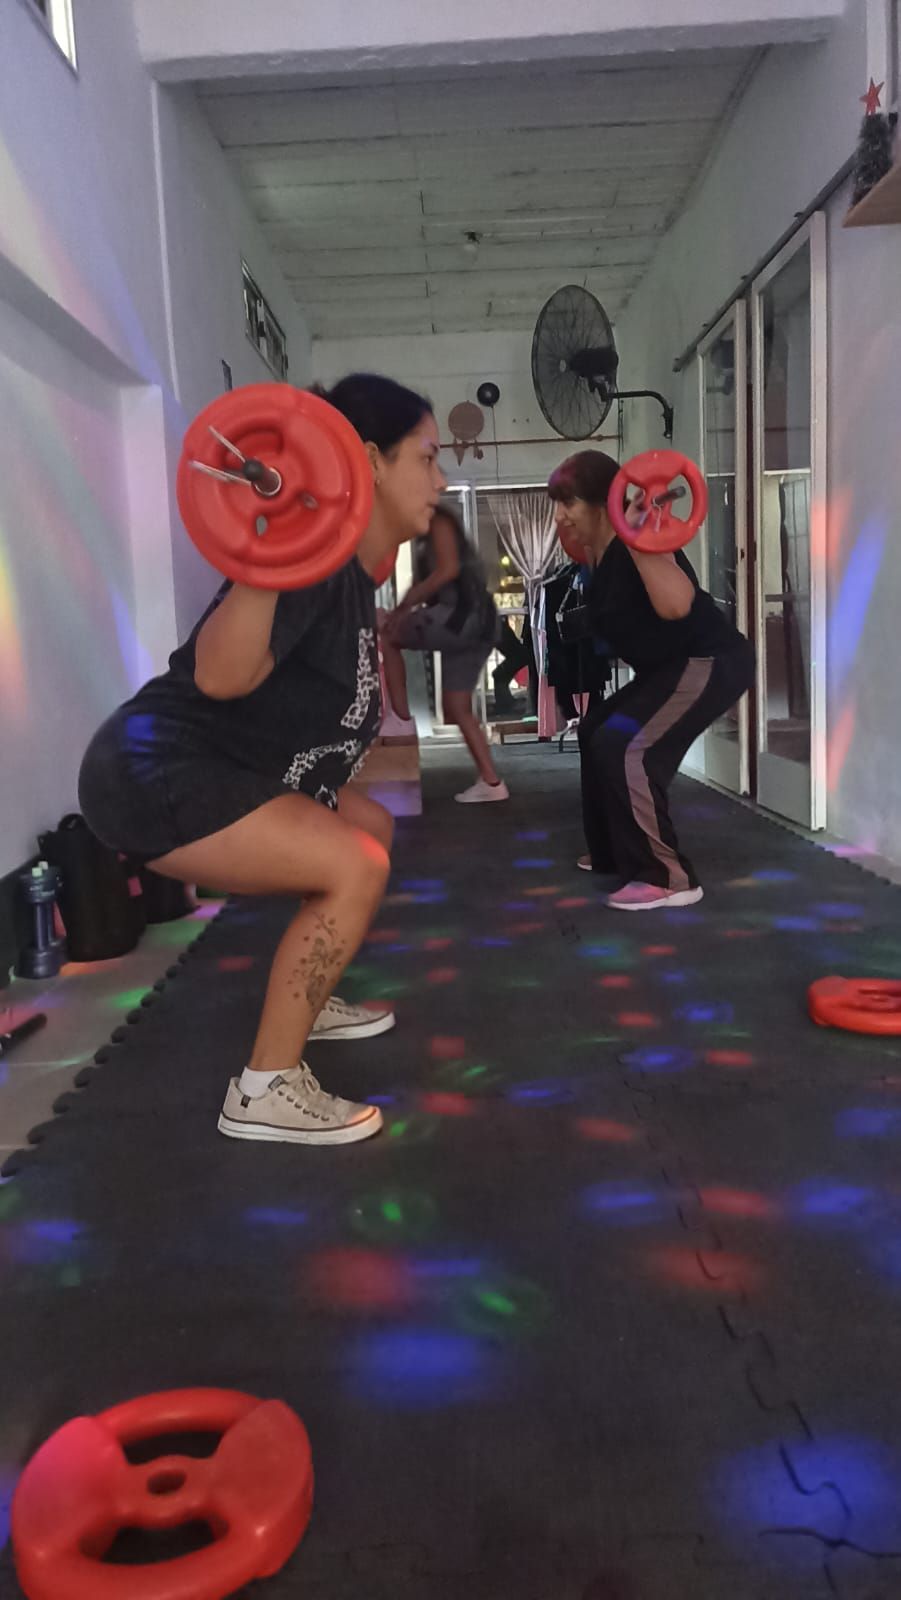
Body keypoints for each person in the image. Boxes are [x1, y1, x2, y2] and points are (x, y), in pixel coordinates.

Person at [78, 373, 447, 1145]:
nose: (440, 480)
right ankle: (264, 1086)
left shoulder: (353, 577)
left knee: (369, 826)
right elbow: (218, 676)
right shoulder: (309, 561)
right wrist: (270, 546)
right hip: (155, 771)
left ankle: (307, 997)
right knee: (354, 865)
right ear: (370, 461)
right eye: (428, 457)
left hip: (226, 769)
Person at [547, 450, 755, 911]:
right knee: (597, 727)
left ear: (603, 503)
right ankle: (611, 852)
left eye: (569, 502)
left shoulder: (638, 544)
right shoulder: (597, 560)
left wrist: (641, 541)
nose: (560, 515)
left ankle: (666, 876)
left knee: (626, 746)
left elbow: (678, 606)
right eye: (557, 503)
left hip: (709, 661)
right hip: (671, 668)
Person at [378, 505, 509, 804]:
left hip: (462, 620)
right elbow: (435, 576)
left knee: (388, 634)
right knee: (457, 706)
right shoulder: (429, 535)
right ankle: (492, 781)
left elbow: (447, 570)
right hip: (479, 625)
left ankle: (400, 719)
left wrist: (403, 608)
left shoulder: (438, 522)